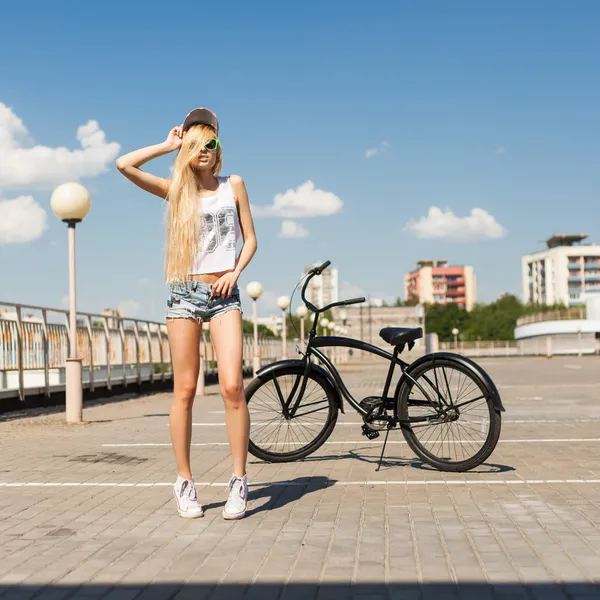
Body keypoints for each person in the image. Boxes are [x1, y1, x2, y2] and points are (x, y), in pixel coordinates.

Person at [116, 108, 257, 520]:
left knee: (232, 386)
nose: (204, 151)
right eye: (195, 144)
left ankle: (238, 481)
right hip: (185, 295)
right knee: (185, 390)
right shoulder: (177, 190)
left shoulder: (235, 185)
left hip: (223, 295)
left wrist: (235, 272)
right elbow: (124, 164)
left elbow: (250, 240)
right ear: (187, 149)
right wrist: (167, 145)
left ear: (219, 149)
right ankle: (184, 481)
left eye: (210, 143)